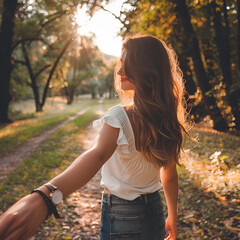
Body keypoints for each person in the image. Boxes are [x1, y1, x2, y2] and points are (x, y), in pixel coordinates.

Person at [0, 34, 191, 240]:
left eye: (127, 64)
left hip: (121, 215)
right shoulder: (167, 119)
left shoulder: (119, 116)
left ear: (146, 69)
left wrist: (46, 197)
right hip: (155, 210)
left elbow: (97, 156)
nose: (119, 71)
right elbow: (169, 176)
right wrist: (172, 215)